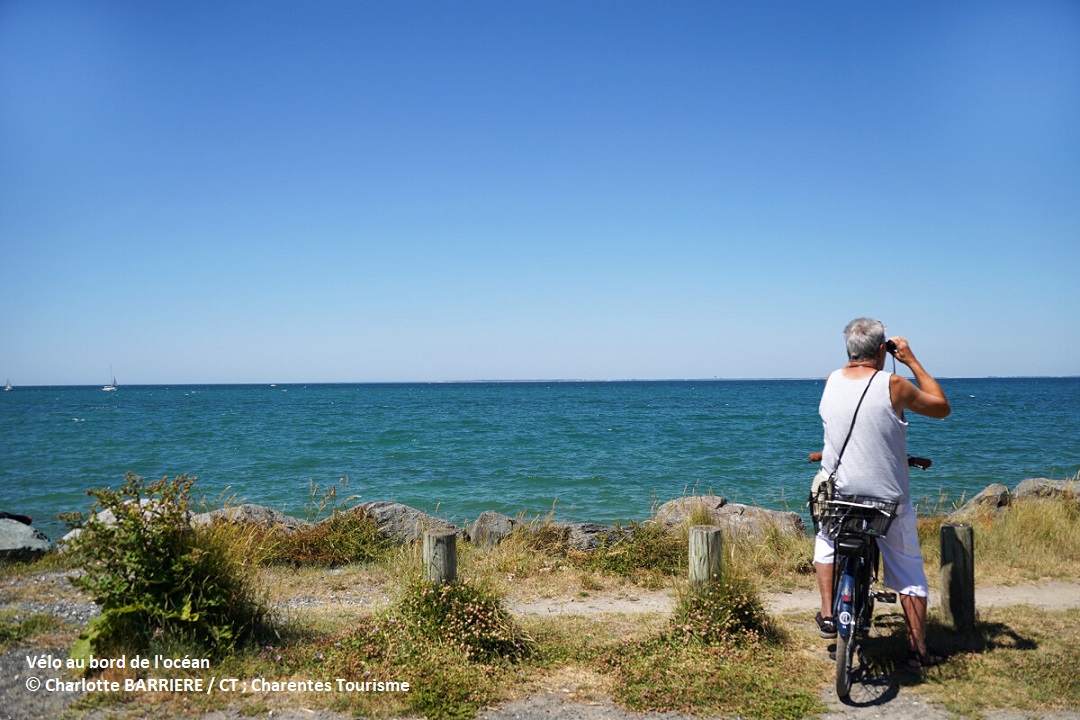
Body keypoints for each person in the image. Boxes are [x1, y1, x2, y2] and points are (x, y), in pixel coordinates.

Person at [813, 317, 951, 669]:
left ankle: (828, 613)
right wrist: (910, 359)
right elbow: (941, 407)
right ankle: (918, 652)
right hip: (886, 501)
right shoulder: (894, 384)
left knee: (827, 540)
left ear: (847, 349)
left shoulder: (831, 381)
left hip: (839, 494)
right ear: (880, 350)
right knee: (909, 573)